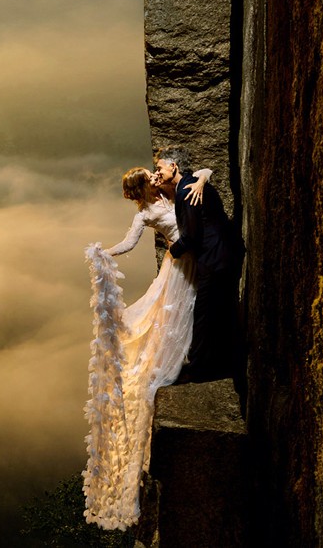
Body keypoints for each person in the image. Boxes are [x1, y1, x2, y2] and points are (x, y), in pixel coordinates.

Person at [82, 166, 210, 530]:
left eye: (155, 174)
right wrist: (104, 253)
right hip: (179, 264)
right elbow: (129, 241)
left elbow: (202, 171)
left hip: (187, 256)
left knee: (180, 312)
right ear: (142, 187)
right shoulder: (145, 213)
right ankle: (187, 357)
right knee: (176, 316)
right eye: (149, 176)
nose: (156, 177)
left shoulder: (169, 193)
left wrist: (199, 179)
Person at [152, 146, 245, 391]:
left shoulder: (186, 192)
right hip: (224, 253)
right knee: (217, 311)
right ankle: (218, 363)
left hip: (214, 258)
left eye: (160, 167)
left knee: (204, 314)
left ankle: (200, 370)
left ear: (174, 166)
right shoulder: (192, 183)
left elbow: (192, 236)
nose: (157, 172)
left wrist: (173, 248)